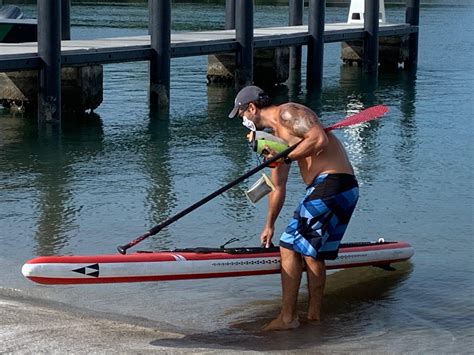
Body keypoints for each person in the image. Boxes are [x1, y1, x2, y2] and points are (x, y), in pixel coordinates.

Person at [229, 85, 359, 331]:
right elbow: (278, 187)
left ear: (252, 108)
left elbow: (318, 139)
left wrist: (286, 157)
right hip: (342, 189)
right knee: (312, 253)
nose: (243, 121)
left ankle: (287, 318)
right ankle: (314, 317)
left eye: (242, 115)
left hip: (332, 182)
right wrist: (269, 224)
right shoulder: (275, 139)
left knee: (289, 244)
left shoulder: (288, 113)